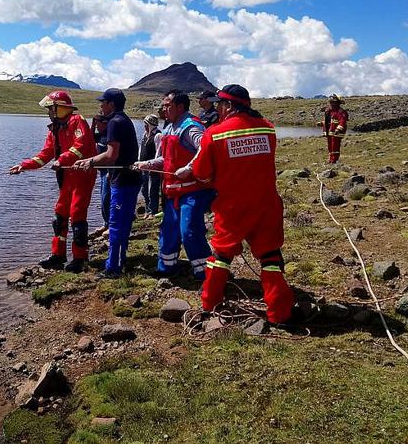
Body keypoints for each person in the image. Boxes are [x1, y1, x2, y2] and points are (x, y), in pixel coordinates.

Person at [192, 84, 294, 324]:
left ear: (228, 106)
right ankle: (280, 313)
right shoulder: (268, 129)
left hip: (232, 208)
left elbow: (201, 172)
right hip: (267, 205)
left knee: (221, 255)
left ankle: (210, 303)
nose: (217, 108)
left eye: (219, 104)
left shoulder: (214, 133)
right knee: (270, 257)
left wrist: (215, 178)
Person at [10, 91, 98, 273]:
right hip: (66, 177)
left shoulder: (77, 121)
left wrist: (62, 160)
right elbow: (45, 154)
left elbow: (81, 145)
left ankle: (80, 258)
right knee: (60, 214)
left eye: (52, 108)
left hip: (82, 175)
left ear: (61, 108)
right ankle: (58, 255)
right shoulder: (55, 129)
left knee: (77, 213)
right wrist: (23, 166)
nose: (49, 112)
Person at [134, 90, 212, 280]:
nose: (164, 109)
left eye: (168, 105)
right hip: (172, 192)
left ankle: (207, 274)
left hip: (192, 191)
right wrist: (147, 164)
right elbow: (166, 158)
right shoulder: (169, 127)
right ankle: (167, 268)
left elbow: (207, 148)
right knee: (168, 230)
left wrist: (189, 168)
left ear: (180, 107)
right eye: (163, 105)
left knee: (190, 231)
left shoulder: (191, 127)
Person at [73, 88, 141, 277]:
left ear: (111, 104)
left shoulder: (115, 122)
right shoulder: (123, 120)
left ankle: (113, 268)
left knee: (116, 223)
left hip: (124, 182)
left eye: (103, 102)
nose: (101, 106)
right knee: (123, 222)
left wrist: (90, 161)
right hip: (130, 179)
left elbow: (112, 155)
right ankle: (120, 259)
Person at [90, 114, 111, 237]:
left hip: (108, 172)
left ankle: (110, 224)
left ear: (105, 123)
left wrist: (109, 172)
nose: (97, 126)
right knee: (103, 199)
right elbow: (90, 137)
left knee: (107, 198)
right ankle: (106, 223)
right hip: (101, 171)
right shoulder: (101, 135)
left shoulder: (110, 135)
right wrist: (92, 125)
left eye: (98, 124)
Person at [139, 114, 162, 217]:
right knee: (144, 190)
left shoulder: (157, 135)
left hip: (152, 167)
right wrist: (139, 161)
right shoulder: (145, 135)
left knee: (152, 190)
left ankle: (152, 211)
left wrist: (153, 165)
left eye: (146, 124)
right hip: (143, 167)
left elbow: (158, 152)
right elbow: (141, 149)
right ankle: (148, 209)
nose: (144, 126)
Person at [318, 94, 348, 164]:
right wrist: (322, 123)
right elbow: (329, 121)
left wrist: (339, 129)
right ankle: (331, 159)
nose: (332, 104)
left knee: (335, 145)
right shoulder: (329, 111)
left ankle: (334, 160)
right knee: (330, 146)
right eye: (331, 102)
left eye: (334, 102)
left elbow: (342, 121)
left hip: (337, 132)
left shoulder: (341, 112)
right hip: (330, 131)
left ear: (338, 103)